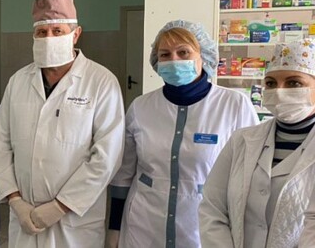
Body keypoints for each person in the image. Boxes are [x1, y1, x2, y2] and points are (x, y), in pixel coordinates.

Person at [106, 20, 259, 248]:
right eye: (165, 54)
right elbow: (124, 174)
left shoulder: (234, 105)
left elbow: (249, 176)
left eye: (183, 52)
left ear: (203, 56)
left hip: (203, 229)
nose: (174, 60)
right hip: (144, 227)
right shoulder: (141, 107)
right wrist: (114, 229)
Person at [0, 0, 125, 248]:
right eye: (41, 32)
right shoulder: (18, 81)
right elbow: (0, 143)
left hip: (73, 221)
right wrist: (14, 199)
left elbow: (107, 156)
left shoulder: (101, 81)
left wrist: (60, 206)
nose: (49, 38)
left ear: (75, 34)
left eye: (57, 31)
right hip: (25, 215)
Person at [200, 38, 315, 248]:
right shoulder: (242, 140)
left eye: (294, 83)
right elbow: (212, 208)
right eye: (270, 83)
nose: (279, 91)